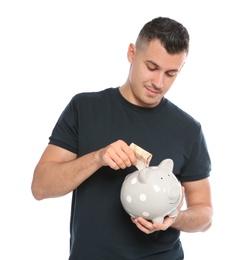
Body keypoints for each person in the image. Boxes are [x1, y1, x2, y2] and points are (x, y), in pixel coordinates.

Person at [31, 16, 213, 260]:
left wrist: (173, 218)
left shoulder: (188, 129)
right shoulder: (84, 108)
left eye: (171, 73)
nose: (159, 83)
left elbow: (205, 216)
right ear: (131, 53)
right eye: (152, 67)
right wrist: (97, 158)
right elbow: (40, 187)